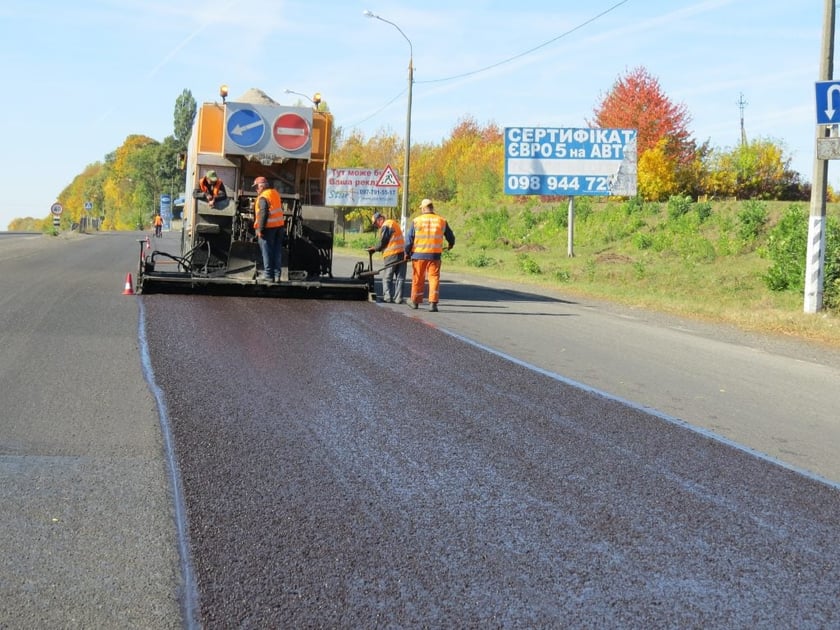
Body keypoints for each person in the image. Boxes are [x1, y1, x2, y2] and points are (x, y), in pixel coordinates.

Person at [404, 198, 455, 312]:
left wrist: (406, 253)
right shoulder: (441, 220)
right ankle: (433, 303)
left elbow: (409, 240)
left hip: (418, 255)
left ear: (423, 208)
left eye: (421, 208)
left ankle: (415, 301)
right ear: (432, 208)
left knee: (418, 278)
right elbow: (450, 236)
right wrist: (451, 244)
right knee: (434, 278)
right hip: (434, 255)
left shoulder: (417, 220)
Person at [367, 211, 406, 303]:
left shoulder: (386, 225)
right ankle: (398, 298)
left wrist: (374, 249)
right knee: (400, 278)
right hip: (402, 253)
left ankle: (388, 297)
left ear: (380, 219)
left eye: (375, 223)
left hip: (392, 254)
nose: (376, 226)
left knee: (387, 277)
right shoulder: (393, 223)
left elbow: (383, 241)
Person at [253, 176, 285, 282]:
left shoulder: (263, 197)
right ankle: (277, 276)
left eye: (256, 187)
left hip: (268, 229)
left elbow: (263, 213)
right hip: (279, 227)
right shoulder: (275, 193)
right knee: (277, 251)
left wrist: (260, 229)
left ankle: (268, 275)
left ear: (261, 187)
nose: (256, 190)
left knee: (267, 251)